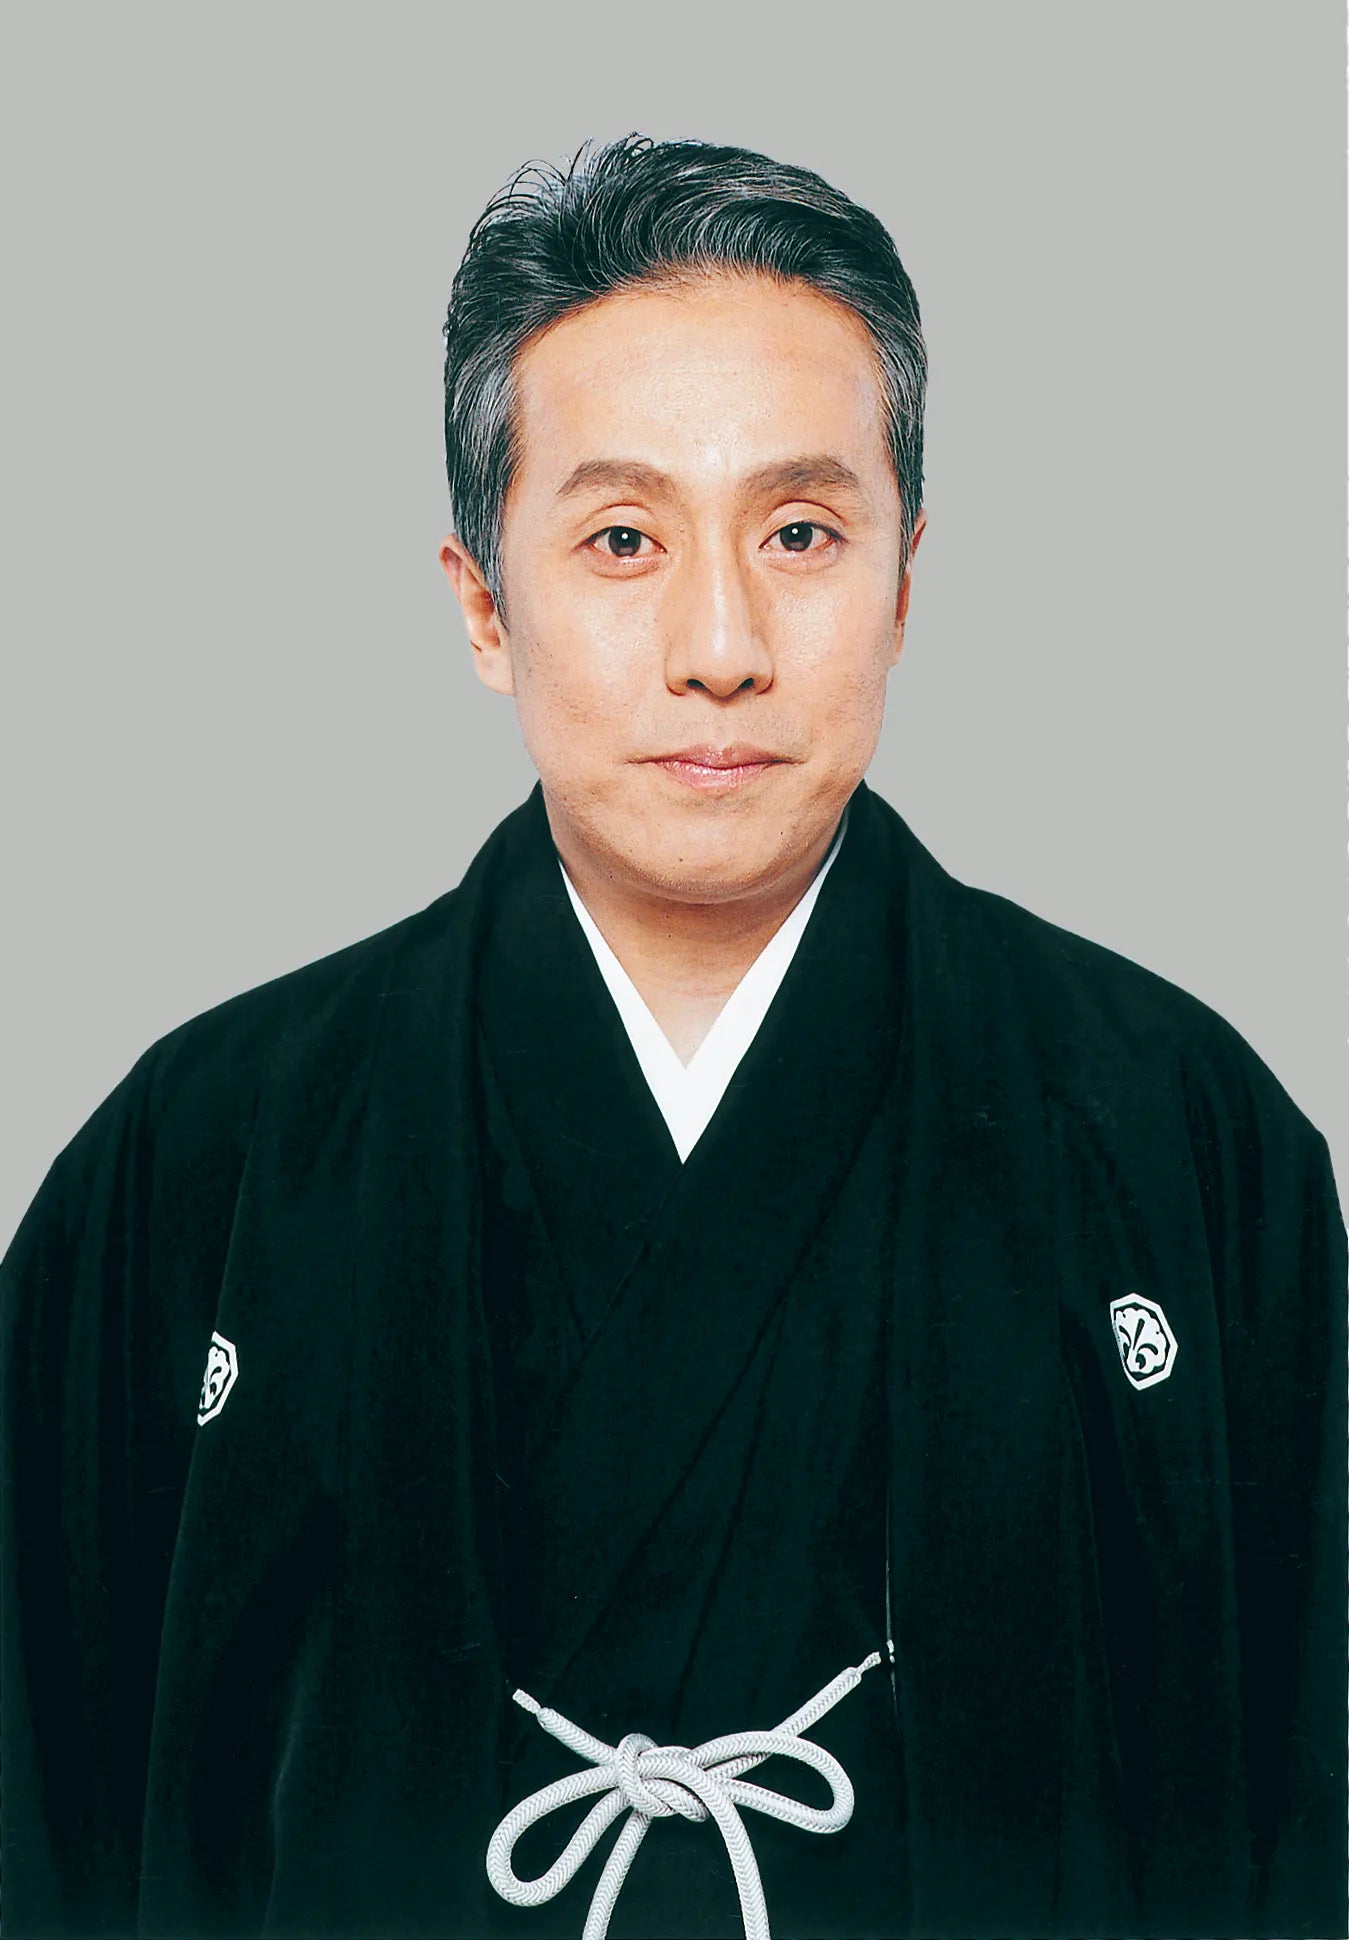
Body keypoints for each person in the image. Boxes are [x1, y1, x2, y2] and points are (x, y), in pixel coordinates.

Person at [1, 133, 1343, 1940]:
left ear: (904, 580)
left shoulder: (1175, 1129)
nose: (721, 644)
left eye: (799, 534)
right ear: (484, 602)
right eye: (621, 540)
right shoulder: (203, 1157)